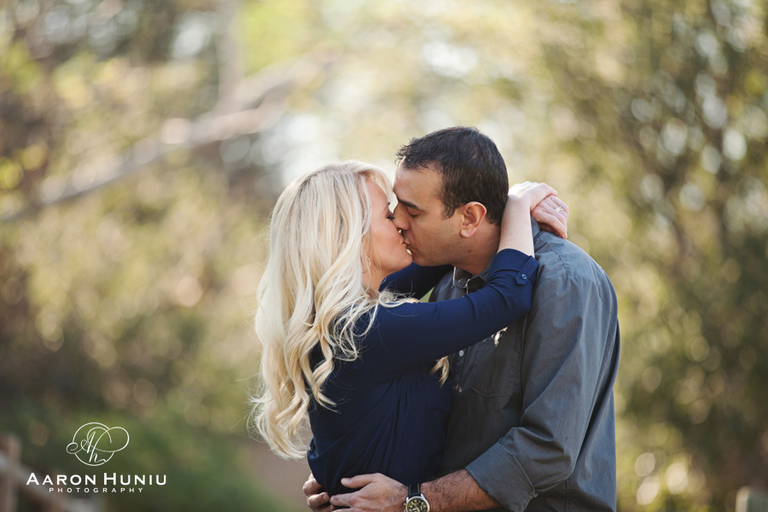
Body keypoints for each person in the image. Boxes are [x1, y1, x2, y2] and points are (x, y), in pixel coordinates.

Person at [304, 127, 620, 512]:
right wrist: (343, 464)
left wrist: (413, 500)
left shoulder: (565, 282)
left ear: (469, 217)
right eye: (392, 210)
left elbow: (547, 449)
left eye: (411, 210)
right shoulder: (445, 281)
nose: (400, 221)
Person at [251, 160, 567, 499]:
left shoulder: (339, 322)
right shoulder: (370, 330)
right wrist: (517, 204)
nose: (401, 222)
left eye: (407, 214)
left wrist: (482, 211)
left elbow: (443, 252)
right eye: (388, 216)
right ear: (350, 238)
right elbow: (507, 297)